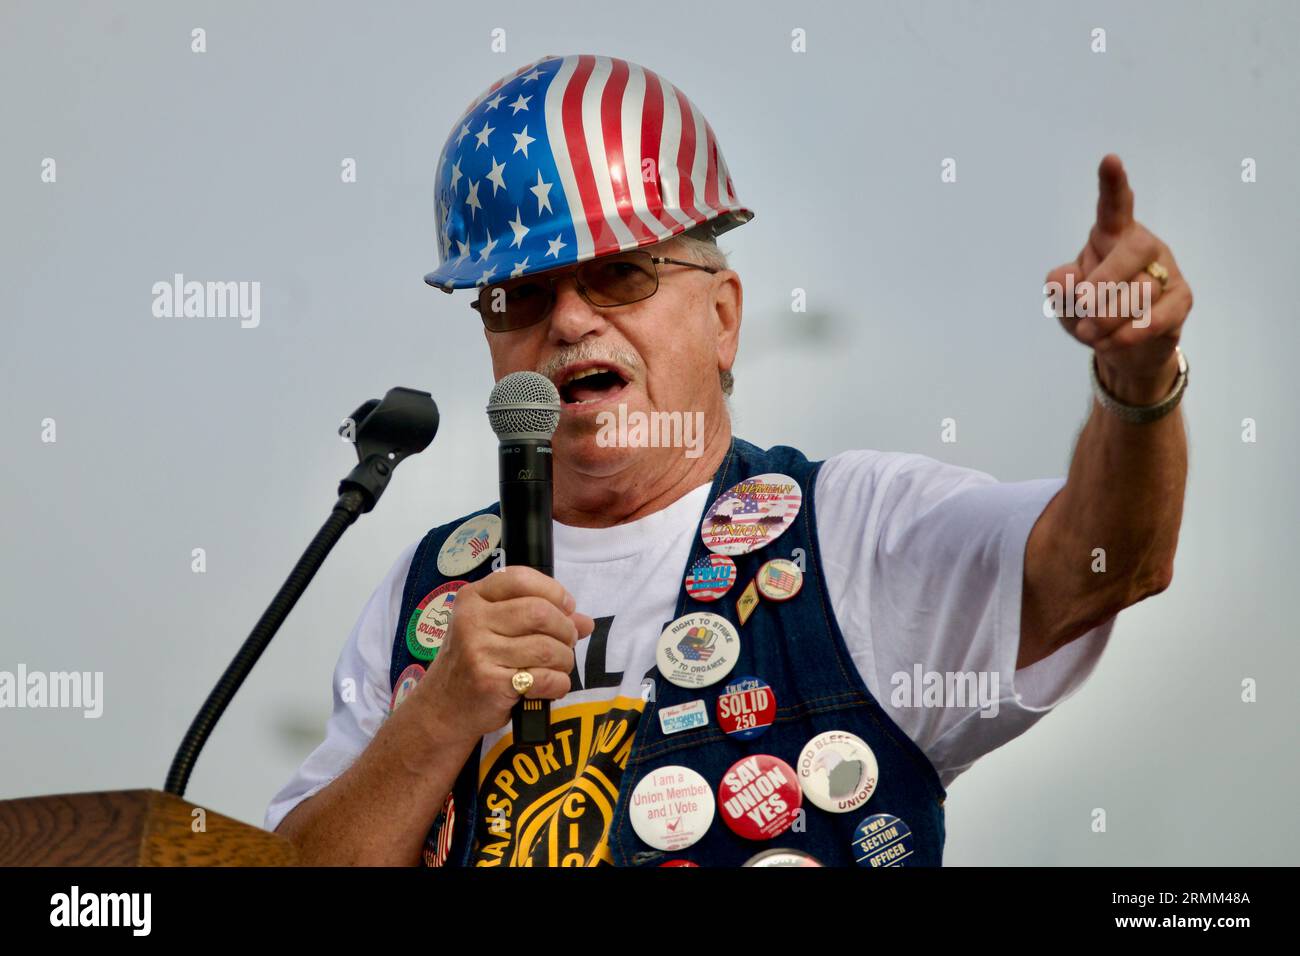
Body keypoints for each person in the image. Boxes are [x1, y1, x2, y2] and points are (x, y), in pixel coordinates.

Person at [266, 54, 1191, 867]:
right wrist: (433, 723)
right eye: (519, 294)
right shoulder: (425, 597)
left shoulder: (852, 531)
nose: (571, 320)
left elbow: (1106, 561)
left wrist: (1136, 375)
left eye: (621, 274)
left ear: (722, 317)